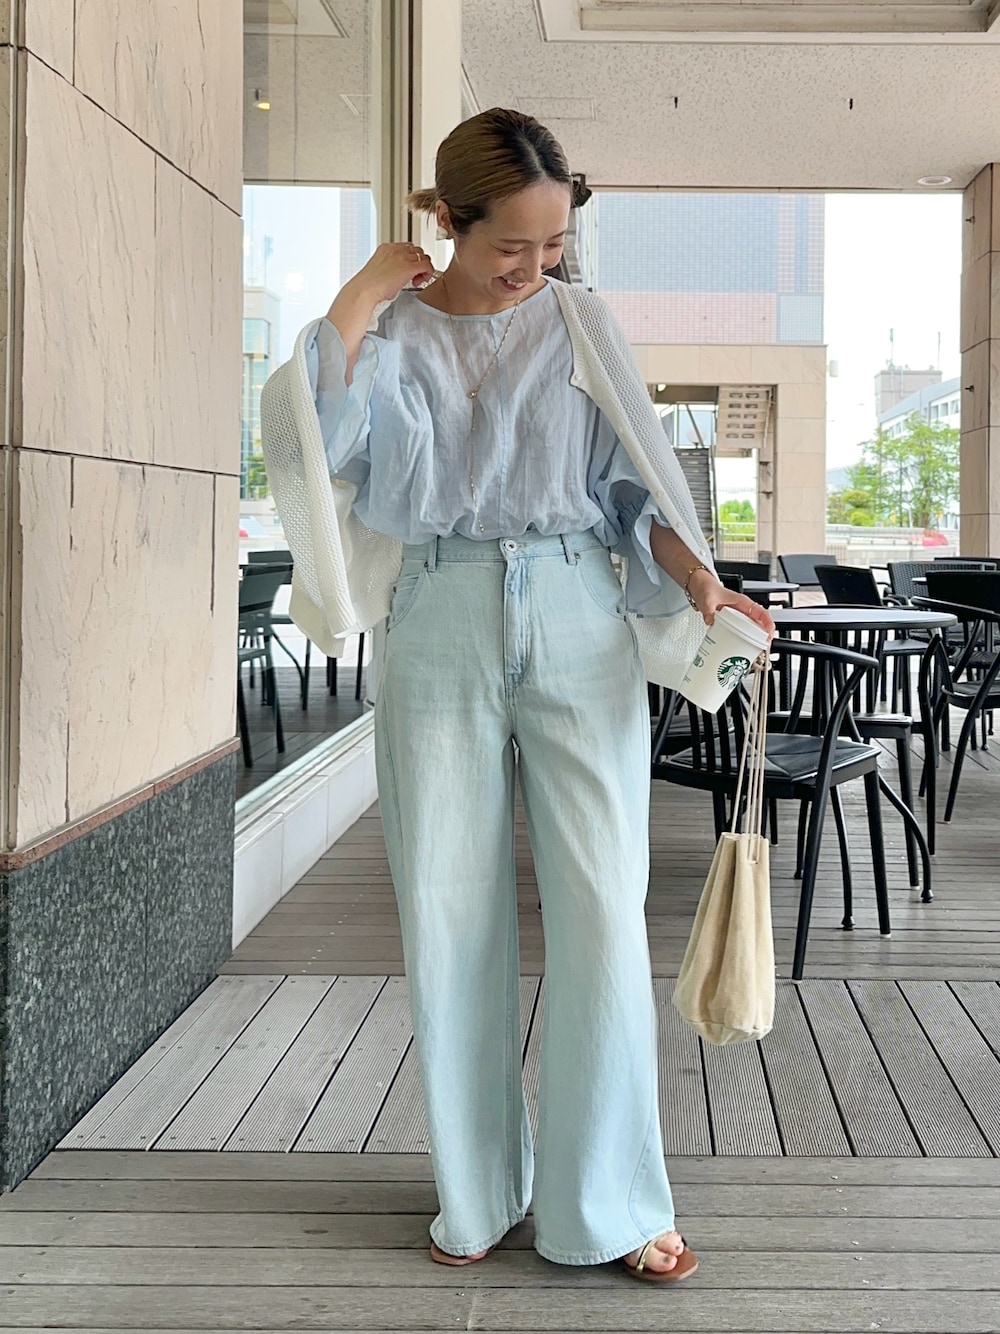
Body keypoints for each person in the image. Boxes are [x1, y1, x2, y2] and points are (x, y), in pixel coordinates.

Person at [262, 108, 774, 1280]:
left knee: (601, 905)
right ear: (448, 220)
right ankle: (478, 1190)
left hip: (577, 609)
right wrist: (357, 294)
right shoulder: (388, 333)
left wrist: (701, 581)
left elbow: (634, 489)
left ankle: (611, 1202)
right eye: (510, 245)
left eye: (551, 245)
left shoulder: (581, 324)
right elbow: (309, 453)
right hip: (436, 608)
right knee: (445, 905)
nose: (533, 266)